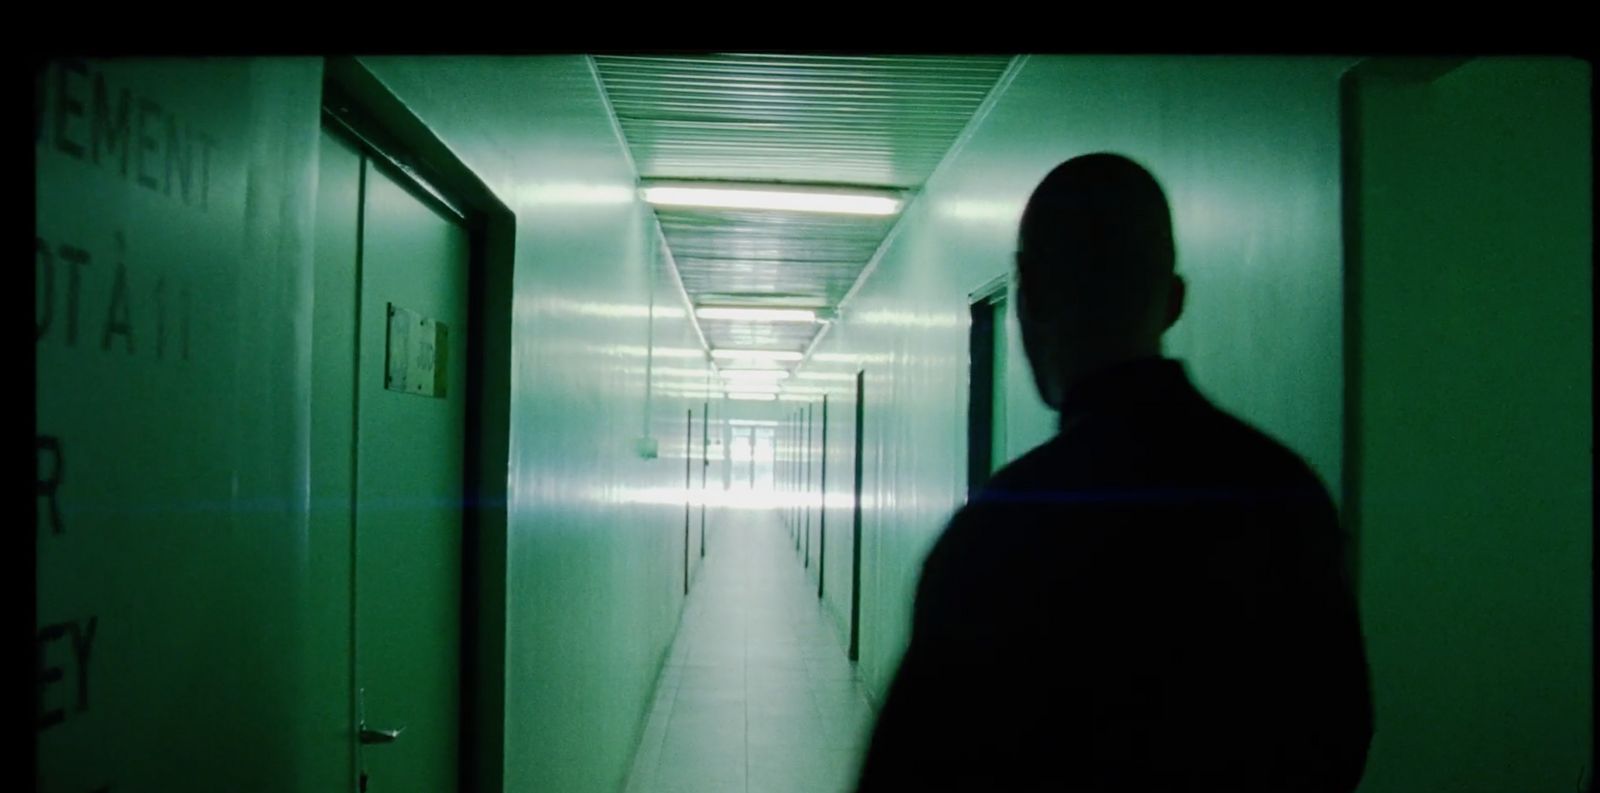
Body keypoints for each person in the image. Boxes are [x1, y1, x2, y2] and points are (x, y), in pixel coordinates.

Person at [853, 153, 1373, 792]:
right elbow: (1338, 737)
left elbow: (909, 768)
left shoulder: (1001, 527)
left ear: (1030, 294)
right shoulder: (1285, 494)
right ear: (1174, 301)